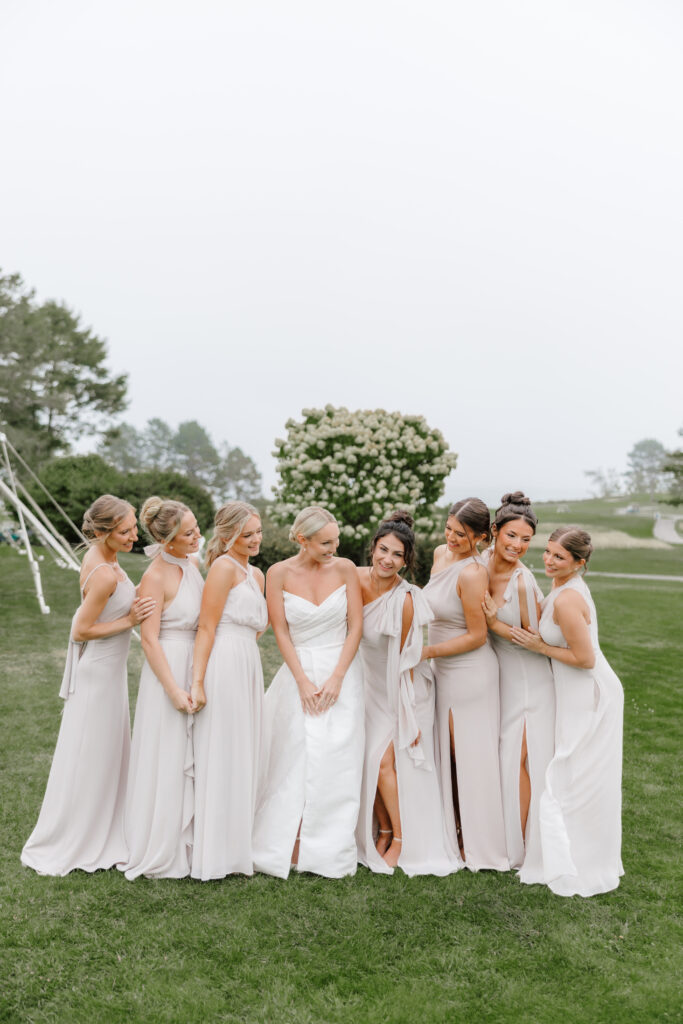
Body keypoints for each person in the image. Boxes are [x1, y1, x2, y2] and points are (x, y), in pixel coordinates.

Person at [21, 495, 155, 875]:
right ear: (102, 532)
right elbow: (80, 629)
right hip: (98, 675)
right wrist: (129, 620)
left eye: (133, 528)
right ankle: (83, 836)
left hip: (107, 674)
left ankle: (106, 826)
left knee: (104, 753)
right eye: (125, 530)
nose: (133, 536)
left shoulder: (104, 558)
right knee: (94, 755)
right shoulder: (105, 573)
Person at [510, 527, 624, 897]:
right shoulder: (559, 588)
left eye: (559, 557)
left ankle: (578, 862)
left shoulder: (567, 599)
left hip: (589, 693)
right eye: (547, 552)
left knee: (574, 775)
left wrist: (540, 648)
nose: (548, 560)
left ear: (580, 563)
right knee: (573, 774)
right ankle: (570, 853)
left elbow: (585, 658)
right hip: (571, 692)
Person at [253, 506, 364, 879]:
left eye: (336, 540)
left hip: (341, 671)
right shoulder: (278, 572)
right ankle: (288, 841)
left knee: (336, 758)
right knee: (292, 756)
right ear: (303, 540)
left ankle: (327, 848)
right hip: (298, 671)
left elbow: (355, 628)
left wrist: (336, 678)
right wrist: (301, 680)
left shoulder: (346, 569)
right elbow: (280, 631)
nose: (334, 547)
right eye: (326, 542)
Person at [356, 511, 462, 876]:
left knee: (385, 761)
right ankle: (381, 830)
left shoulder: (406, 599)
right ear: (373, 548)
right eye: (383, 550)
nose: (387, 559)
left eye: (396, 555)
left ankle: (401, 838)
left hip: (405, 689)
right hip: (370, 686)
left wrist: (407, 718)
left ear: (406, 560)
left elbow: (405, 664)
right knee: (368, 759)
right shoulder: (353, 579)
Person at [422, 498, 509, 871]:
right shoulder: (440, 554)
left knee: (466, 754)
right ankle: (450, 827)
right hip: (440, 665)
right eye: (449, 528)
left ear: (479, 537)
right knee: (443, 749)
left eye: (462, 534)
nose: (452, 537)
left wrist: (427, 652)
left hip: (469, 671)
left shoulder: (474, 573)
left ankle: (475, 839)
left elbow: (477, 635)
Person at [120, 497, 203, 881]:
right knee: (168, 754)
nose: (197, 536)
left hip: (195, 663)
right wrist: (172, 689)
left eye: (196, 528)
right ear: (168, 541)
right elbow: (148, 640)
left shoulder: (194, 564)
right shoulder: (155, 576)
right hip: (167, 666)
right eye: (189, 533)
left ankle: (195, 839)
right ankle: (164, 843)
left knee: (196, 754)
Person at [190, 502, 267, 879]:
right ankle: (216, 850)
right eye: (247, 534)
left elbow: (257, 627)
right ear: (226, 535)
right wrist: (198, 680)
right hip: (224, 662)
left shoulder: (257, 574)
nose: (255, 540)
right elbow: (206, 627)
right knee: (224, 748)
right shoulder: (222, 569)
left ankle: (240, 845)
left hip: (248, 662)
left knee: (244, 748)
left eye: (258, 532)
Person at [481, 492, 555, 882]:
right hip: (500, 676)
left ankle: (524, 847)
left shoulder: (522, 581)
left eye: (526, 540)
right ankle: (499, 836)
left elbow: (531, 638)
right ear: (494, 532)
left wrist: (495, 624)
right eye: (511, 536)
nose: (517, 546)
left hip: (529, 678)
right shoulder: (476, 567)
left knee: (522, 756)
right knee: (502, 755)